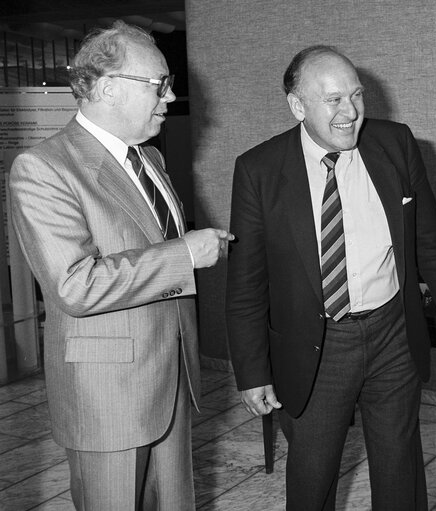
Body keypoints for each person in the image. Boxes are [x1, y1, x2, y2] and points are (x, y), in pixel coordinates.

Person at [226, 45, 436, 511]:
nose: (351, 112)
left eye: (357, 96)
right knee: (313, 474)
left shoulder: (395, 144)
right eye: (334, 100)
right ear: (298, 106)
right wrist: (252, 370)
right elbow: (245, 285)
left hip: (392, 335)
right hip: (317, 344)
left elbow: (430, 247)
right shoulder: (259, 170)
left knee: (400, 467)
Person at [9, 21, 233, 510]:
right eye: (159, 84)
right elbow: (76, 285)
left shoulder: (149, 158)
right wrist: (186, 255)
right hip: (108, 398)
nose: (170, 97)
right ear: (108, 88)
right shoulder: (42, 168)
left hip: (169, 375)